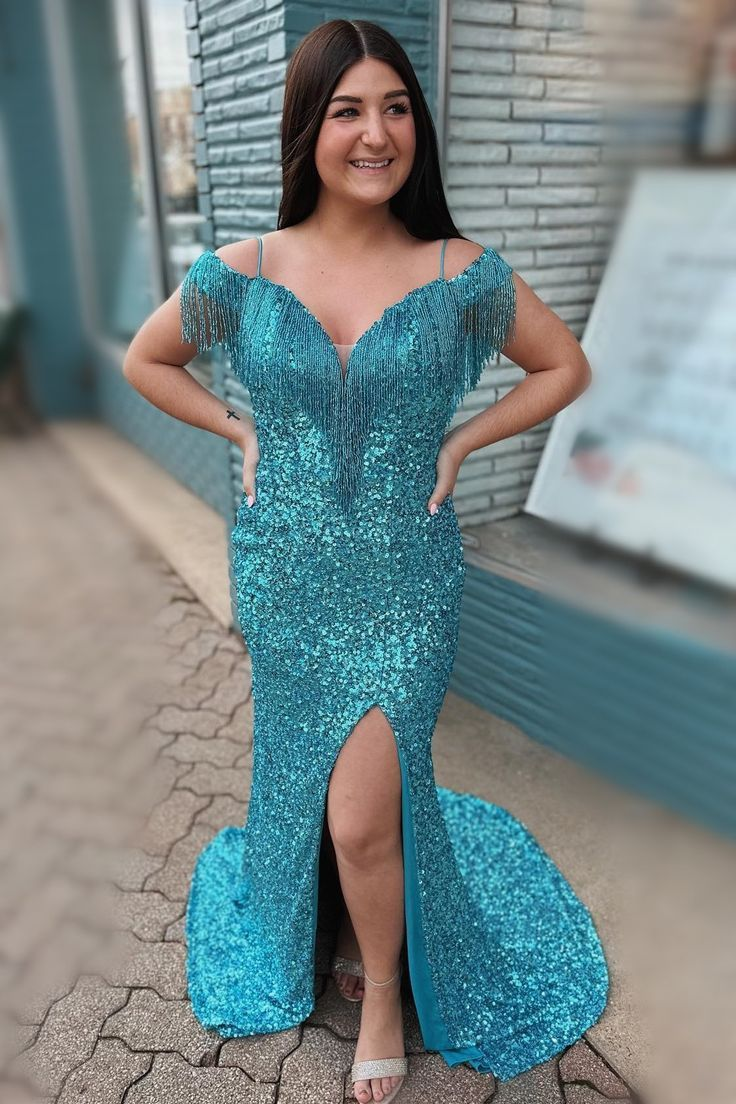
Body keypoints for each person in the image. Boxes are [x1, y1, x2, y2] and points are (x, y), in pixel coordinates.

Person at [123, 19, 608, 1104]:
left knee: (359, 814)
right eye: (348, 110)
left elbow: (562, 366)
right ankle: (333, 918)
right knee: (312, 777)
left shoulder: (460, 272)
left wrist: (460, 443)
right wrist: (238, 429)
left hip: (405, 580)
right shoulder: (242, 268)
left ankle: (383, 994)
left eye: (395, 108)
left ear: (417, 128)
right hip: (285, 573)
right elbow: (148, 359)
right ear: (310, 127)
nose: (376, 133)